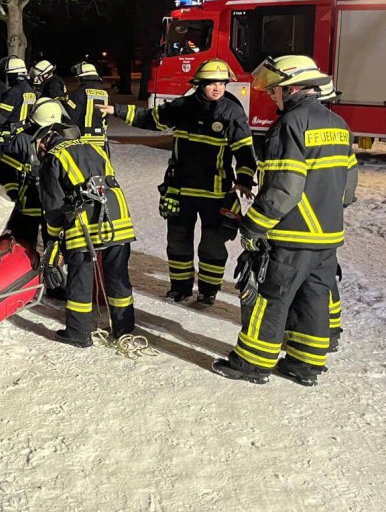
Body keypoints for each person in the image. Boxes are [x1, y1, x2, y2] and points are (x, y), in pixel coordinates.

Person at [212, 55, 357, 386]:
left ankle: (252, 363)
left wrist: (254, 225)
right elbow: (348, 187)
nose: (271, 95)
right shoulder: (338, 124)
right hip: (327, 236)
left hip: (292, 234)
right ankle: (305, 365)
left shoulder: (291, 125)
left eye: (275, 90)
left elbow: (284, 189)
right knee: (315, 297)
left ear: (292, 88)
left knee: (271, 296)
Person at [101, 59, 257, 304]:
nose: (217, 88)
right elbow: (152, 118)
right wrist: (117, 111)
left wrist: (245, 178)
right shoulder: (183, 106)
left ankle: (208, 292)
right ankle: (180, 288)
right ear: (199, 84)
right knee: (177, 243)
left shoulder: (231, 111)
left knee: (212, 246)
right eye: (211, 83)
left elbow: (244, 149)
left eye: (221, 83)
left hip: (215, 193)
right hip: (179, 189)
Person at [34, 100, 137, 347]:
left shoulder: (53, 157)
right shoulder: (95, 146)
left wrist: (54, 241)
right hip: (119, 219)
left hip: (84, 224)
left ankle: (79, 332)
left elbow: (54, 206)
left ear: (47, 135)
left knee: (81, 277)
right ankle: (123, 330)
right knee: (117, 275)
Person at [0, 97, 55, 245]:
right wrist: (13, 195)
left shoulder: (58, 139)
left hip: (51, 206)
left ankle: (52, 267)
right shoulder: (22, 140)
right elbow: (8, 172)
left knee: (54, 246)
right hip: (29, 204)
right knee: (25, 245)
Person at [318, 79, 344, 352]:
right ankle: (331, 332)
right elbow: (349, 184)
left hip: (301, 228)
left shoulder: (297, 124)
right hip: (330, 225)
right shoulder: (340, 126)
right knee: (326, 283)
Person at [62, 61, 111, 148]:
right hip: (100, 141)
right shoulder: (104, 95)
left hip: (82, 142)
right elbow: (106, 117)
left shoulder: (77, 94)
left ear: (82, 78)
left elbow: (70, 118)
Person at [0, 57, 36, 152]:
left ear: (11, 75)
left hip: (10, 137)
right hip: (26, 134)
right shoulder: (31, 91)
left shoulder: (13, 92)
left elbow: (0, 119)